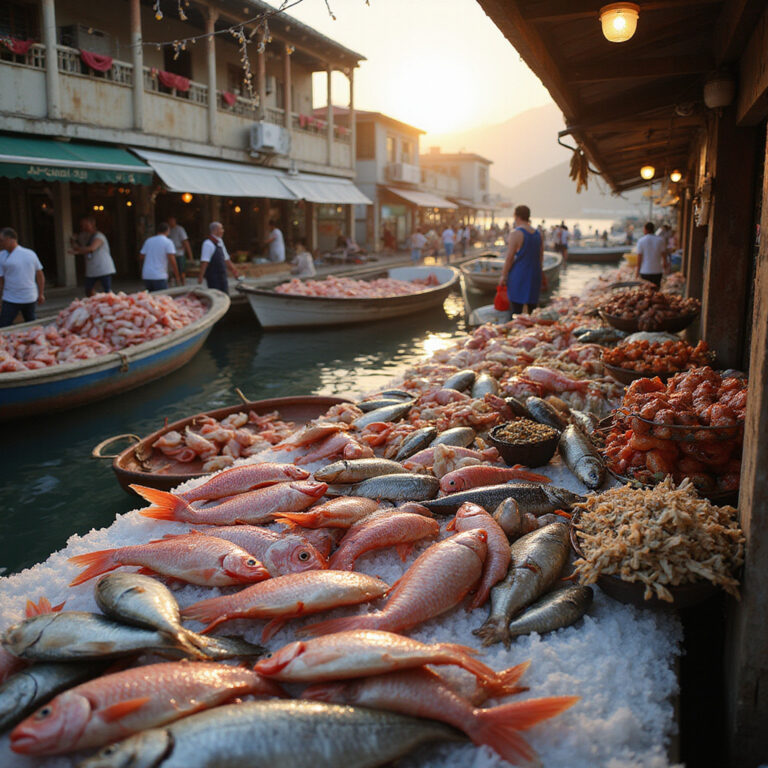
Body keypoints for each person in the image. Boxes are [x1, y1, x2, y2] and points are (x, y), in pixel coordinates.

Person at [498, 204, 544, 315]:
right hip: (534, 274)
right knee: (532, 310)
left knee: (516, 311)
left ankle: (517, 331)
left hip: (519, 274)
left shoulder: (515, 233)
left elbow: (509, 257)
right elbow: (541, 256)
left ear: (516, 216)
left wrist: (503, 275)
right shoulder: (538, 234)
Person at [0, 227, 45, 327]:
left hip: (29, 296)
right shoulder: (1, 256)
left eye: (2, 241)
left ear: (11, 239)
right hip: (10, 297)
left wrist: (41, 293)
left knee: (31, 324)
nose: (1, 243)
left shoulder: (29, 254)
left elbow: (40, 275)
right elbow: (1, 280)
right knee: (4, 325)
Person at [71, 216, 116, 296]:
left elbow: (92, 248)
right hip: (91, 269)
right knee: (88, 290)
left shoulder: (99, 236)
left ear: (92, 224)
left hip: (103, 268)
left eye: (86, 225)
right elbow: (79, 247)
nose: (84, 227)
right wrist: (73, 241)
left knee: (107, 291)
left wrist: (78, 252)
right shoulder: (84, 236)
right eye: (82, 225)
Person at [199, 221, 240, 293]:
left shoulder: (220, 241)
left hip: (222, 275)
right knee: (216, 294)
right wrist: (201, 277)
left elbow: (226, 258)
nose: (223, 231)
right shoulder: (208, 244)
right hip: (213, 277)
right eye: (221, 229)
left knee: (225, 294)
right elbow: (205, 262)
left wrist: (235, 272)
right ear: (215, 230)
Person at [139, 222, 180, 292]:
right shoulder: (168, 242)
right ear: (168, 231)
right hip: (160, 275)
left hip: (147, 275)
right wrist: (177, 277)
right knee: (161, 299)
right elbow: (172, 260)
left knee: (150, 299)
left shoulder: (148, 241)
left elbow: (141, 256)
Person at [634, 221, 669, 287]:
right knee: (656, 292)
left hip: (645, 271)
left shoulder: (641, 241)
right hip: (657, 271)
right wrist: (665, 268)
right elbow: (664, 256)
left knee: (647, 293)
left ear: (646, 229)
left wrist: (637, 272)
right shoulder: (660, 240)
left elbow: (639, 258)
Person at [167, 215, 192, 285]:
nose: (171, 222)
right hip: (170, 253)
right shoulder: (168, 230)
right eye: (170, 221)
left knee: (181, 269)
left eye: (172, 221)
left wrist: (190, 255)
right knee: (171, 270)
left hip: (179, 252)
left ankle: (182, 283)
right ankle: (174, 282)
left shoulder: (180, 229)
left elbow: (185, 241)